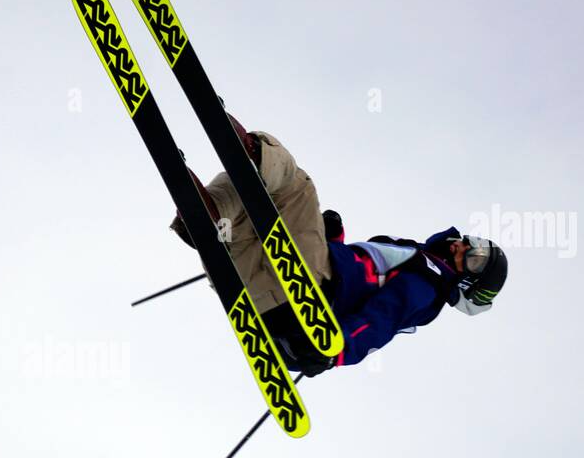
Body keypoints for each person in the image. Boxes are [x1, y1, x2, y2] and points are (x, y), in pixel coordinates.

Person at [170, 115, 508, 376]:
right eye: (472, 242)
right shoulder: (412, 254)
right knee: (250, 203)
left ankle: (251, 154)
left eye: (476, 258)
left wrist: (335, 349)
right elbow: (360, 278)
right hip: (260, 293)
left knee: (295, 184)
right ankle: (205, 219)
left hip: (306, 294)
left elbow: (381, 320)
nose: (464, 248)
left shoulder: (428, 283)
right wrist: (333, 237)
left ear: (471, 284)